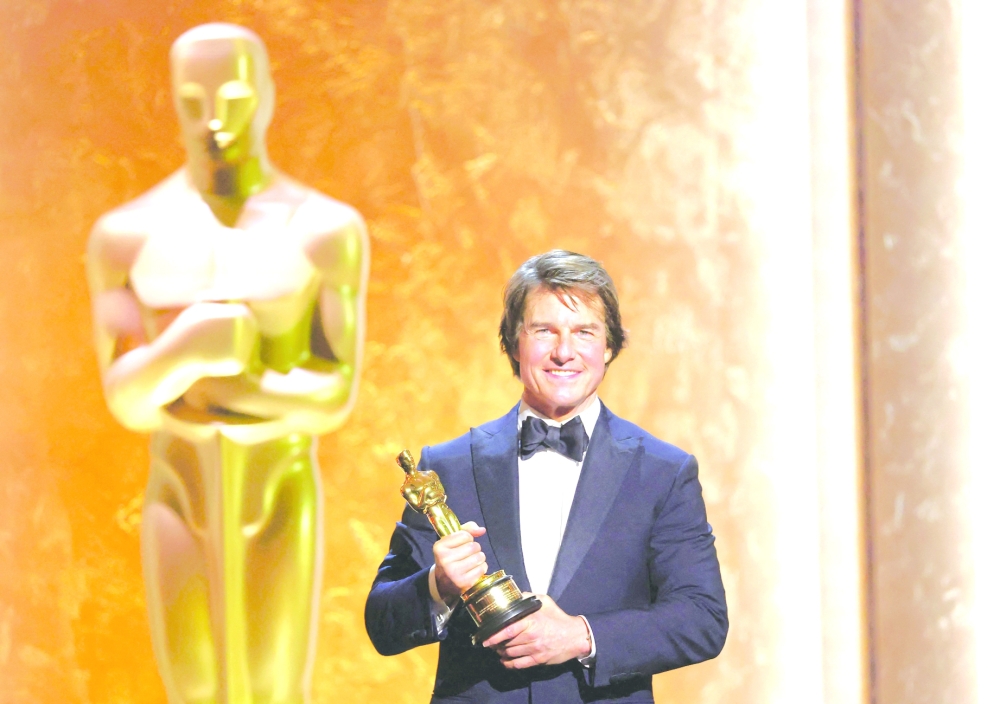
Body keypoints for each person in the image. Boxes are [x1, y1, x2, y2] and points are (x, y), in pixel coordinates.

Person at [86, 23, 368, 704]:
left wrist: (240, 384)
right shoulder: (126, 237)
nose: (215, 120)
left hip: (277, 483)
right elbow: (124, 397)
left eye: (236, 95)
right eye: (192, 100)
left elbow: (334, 393)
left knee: (275, 685)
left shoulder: (324, 232)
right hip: (178, 487)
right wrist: (185, 351)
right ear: (172, 102)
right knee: (193, 685)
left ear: (268, 95)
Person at [366, 250, 726, 702]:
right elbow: (382, 622)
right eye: (544, 331)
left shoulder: (663, 472)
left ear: (609, 345)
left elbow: (702, 618)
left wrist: (581, 635)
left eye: (584, 332)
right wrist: (438, 586)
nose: (563, 351)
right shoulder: (448, 467)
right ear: (513, 343)